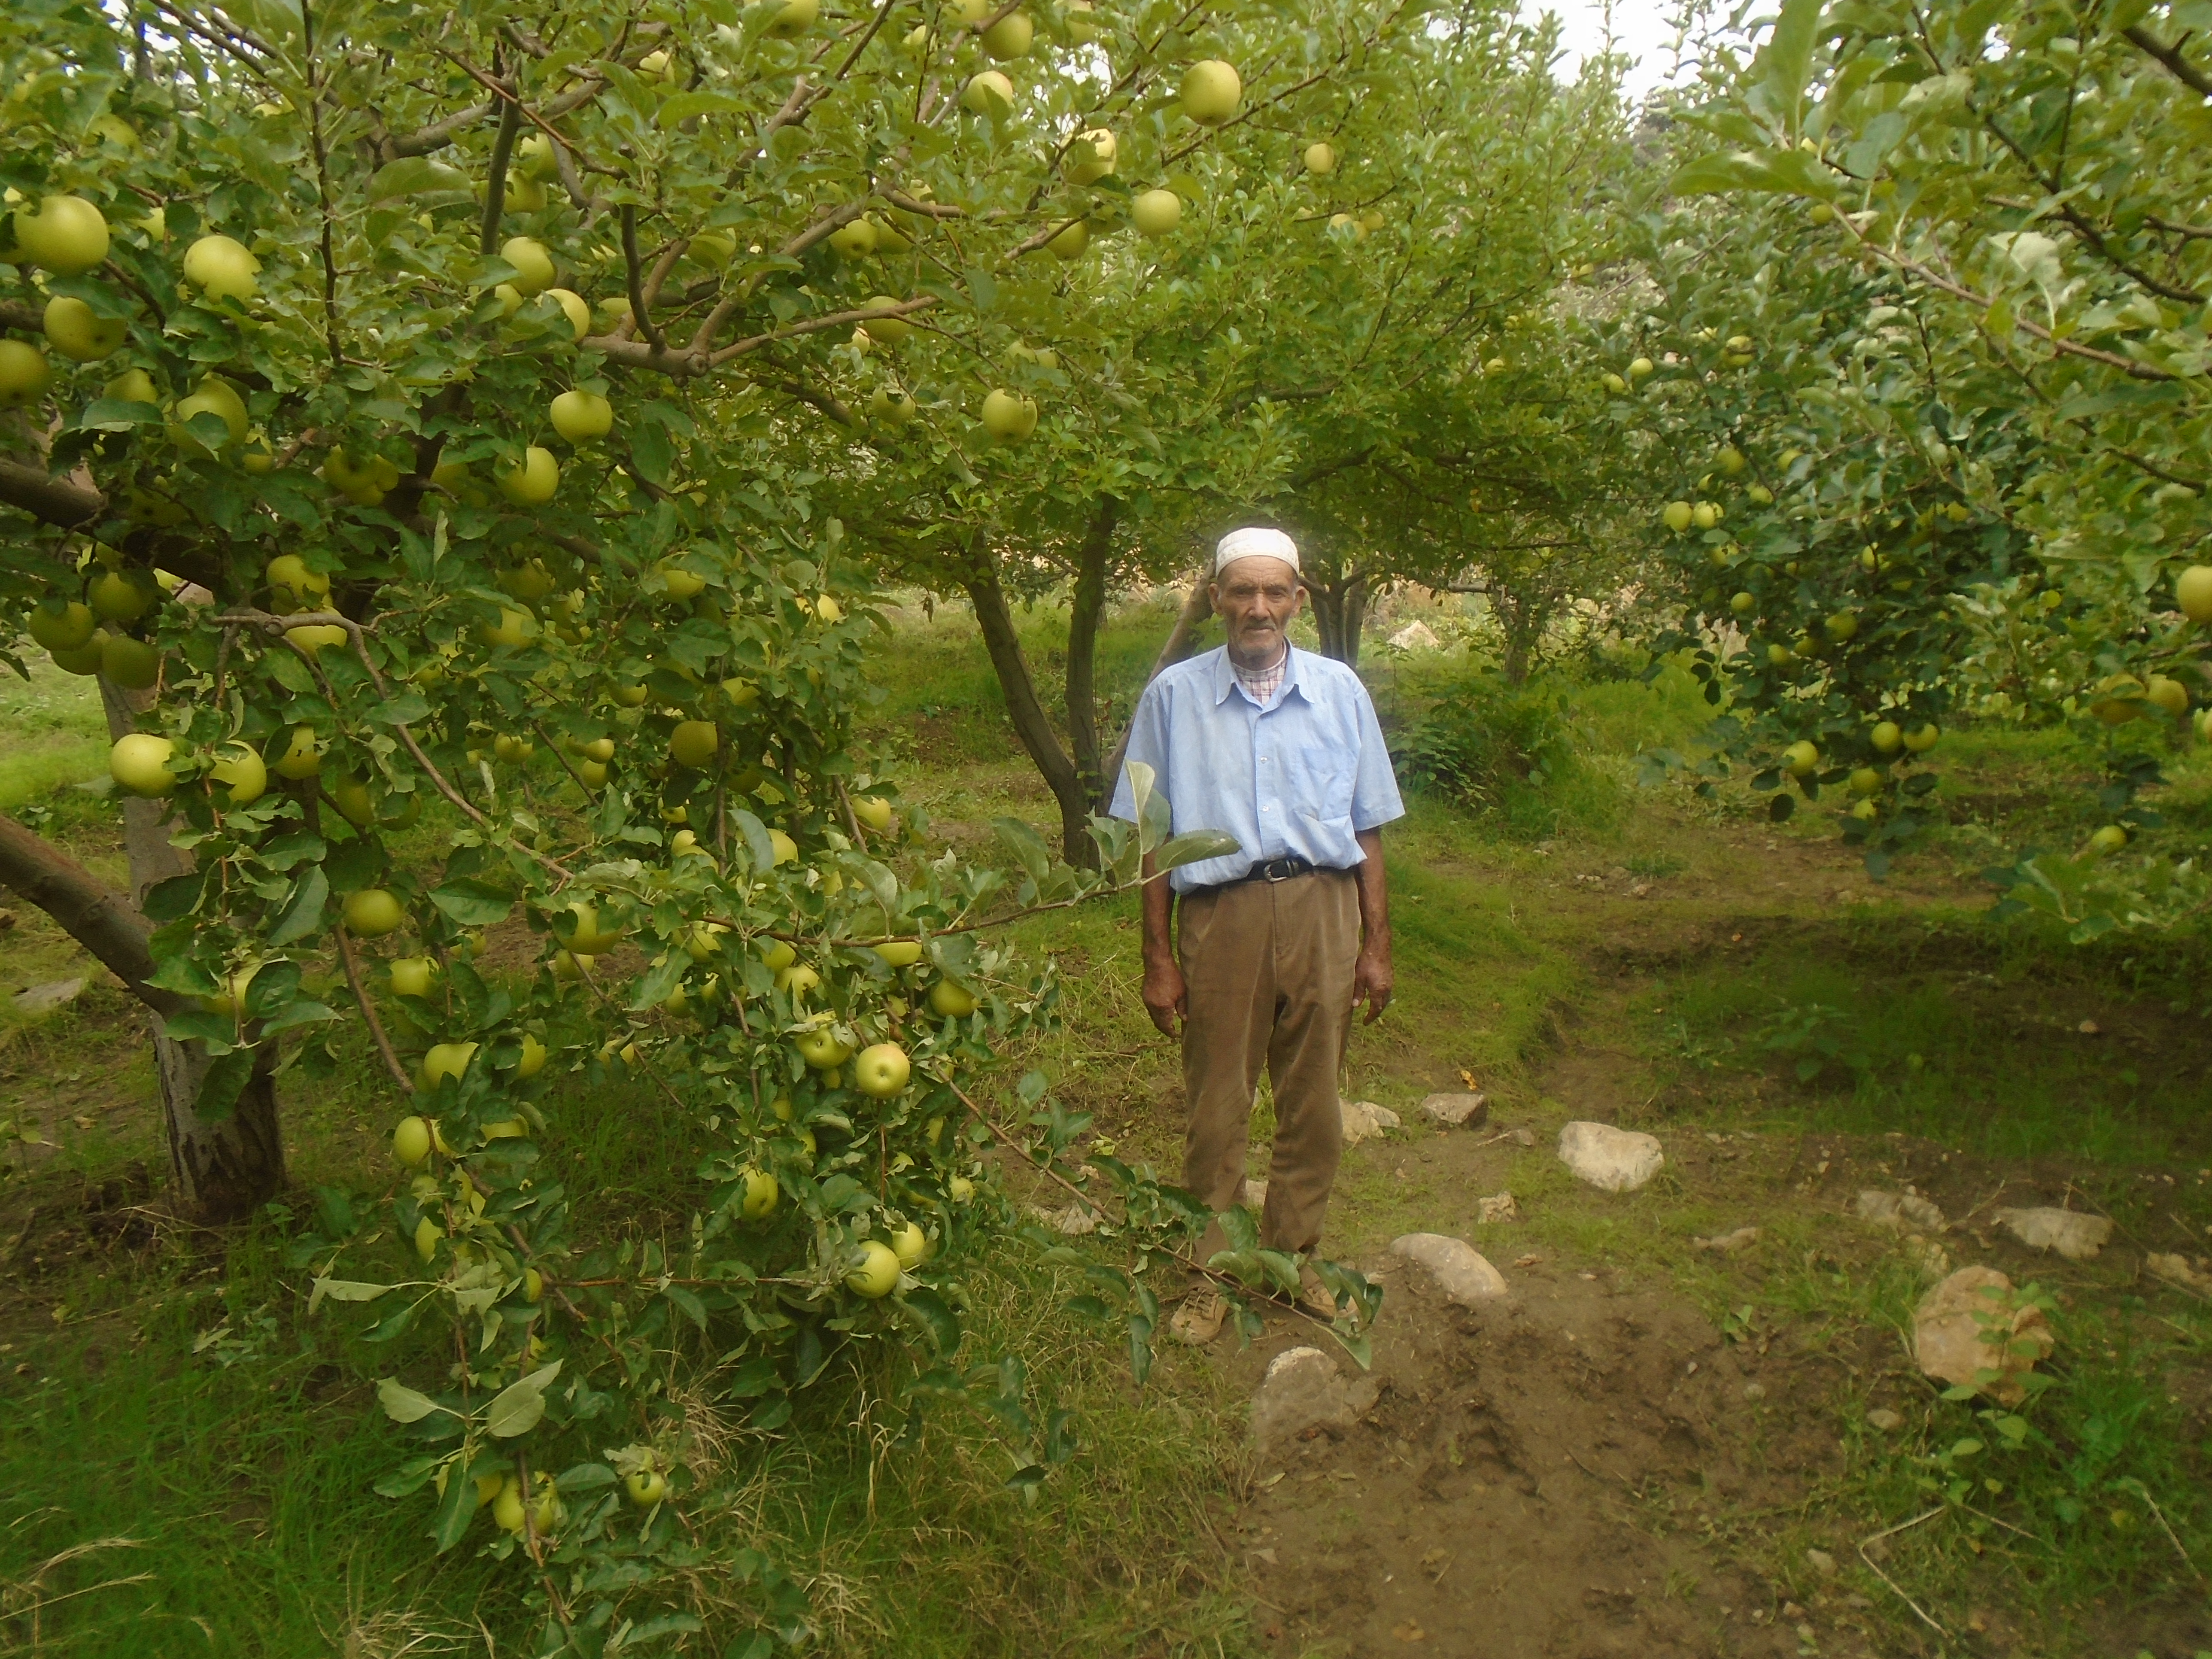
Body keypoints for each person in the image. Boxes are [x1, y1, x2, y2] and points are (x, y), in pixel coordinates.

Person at [1108, 526, 1404, 1345]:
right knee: (1216, 1104)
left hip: (1322, 910)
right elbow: (1149, 840)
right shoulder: (1172, 698)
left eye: (1275, 592)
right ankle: (1209, 1274)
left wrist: (1376, 947)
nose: (1258, 608)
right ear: (1216, 600)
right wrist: (1158, 958)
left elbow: (1370, 827)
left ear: (1300, 601)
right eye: (1242, 592)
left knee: (1313, 1103)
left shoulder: (1341, 692)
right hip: (1222, 917)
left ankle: (1296, 1262)